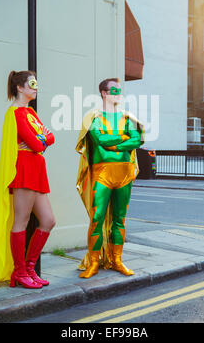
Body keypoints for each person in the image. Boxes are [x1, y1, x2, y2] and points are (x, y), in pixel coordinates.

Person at [0, 71, 55, 291]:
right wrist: (42, 139)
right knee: (21, 220)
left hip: (37, 170)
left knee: (48, 221)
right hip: (25, 169)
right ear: (19, 87)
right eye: (32, 84)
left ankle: (28, 268)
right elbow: (38, 144)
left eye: (36, 84)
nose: (36, 88)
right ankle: (20, 272)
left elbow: (48, 139)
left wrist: (41, 140)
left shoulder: (31, 114)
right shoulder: (16, 114)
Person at [75, 78, 144, 278]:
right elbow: (100, 139)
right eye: (113, 91)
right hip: (102, 173)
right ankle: (94, 262)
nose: (117, 94)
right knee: (96, 218)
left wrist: (115, 144)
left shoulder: (128, 118)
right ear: (104, 93)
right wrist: (123, 138)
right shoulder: (93, 117)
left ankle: (117, 260)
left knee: (119, 219)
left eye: (119, 91)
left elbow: (137, 139)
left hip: (124, 173)